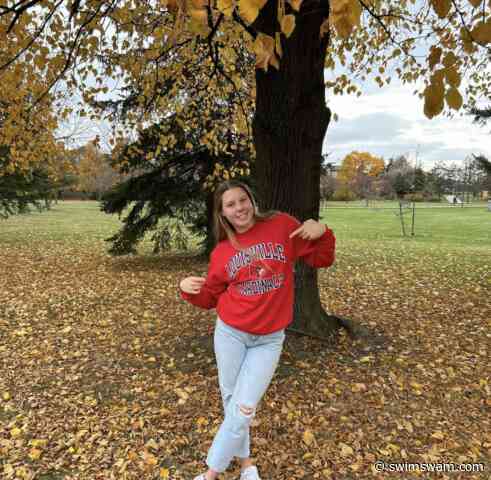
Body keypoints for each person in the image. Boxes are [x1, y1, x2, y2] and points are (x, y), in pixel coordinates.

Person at [179, 180, 336, 480]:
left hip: (269, 339)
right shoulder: (223, 252)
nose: (239, 208)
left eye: (243, 199)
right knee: (232, 402)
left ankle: (210, 473)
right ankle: (246, 464)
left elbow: (322, 258)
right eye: (230, 204)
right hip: (231, 334)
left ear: (251, 200)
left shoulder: (281, 226)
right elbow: (209, 297)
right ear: (222, 213)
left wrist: (323, 232)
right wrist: (186, 289)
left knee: (245, 405)